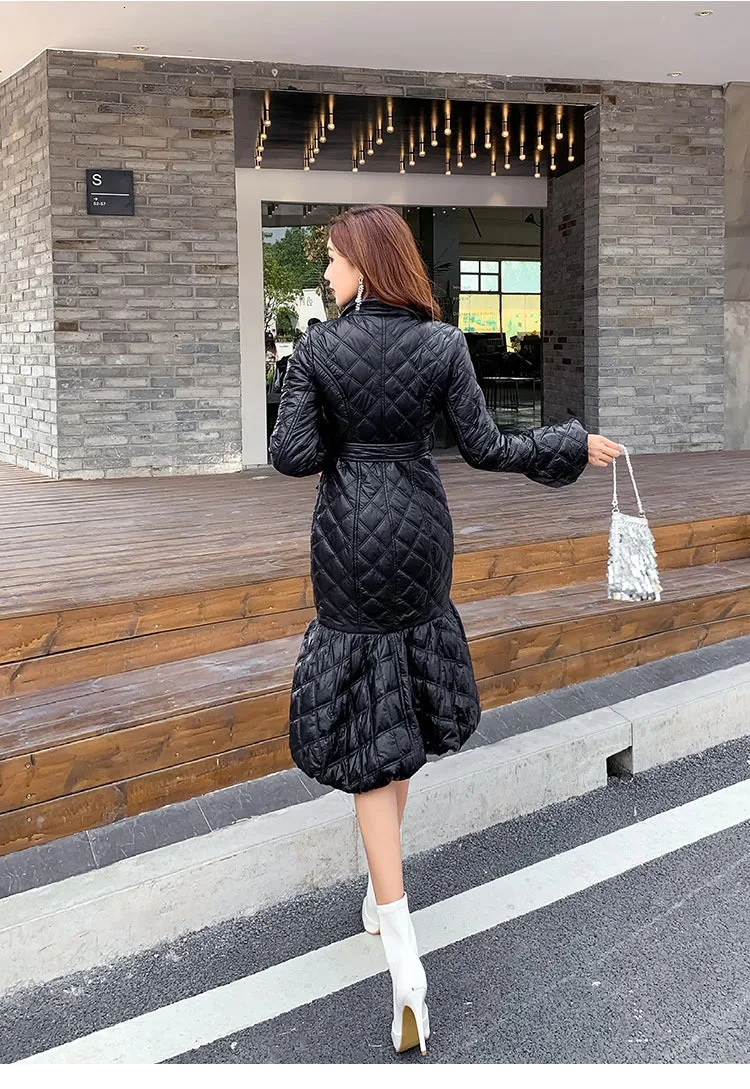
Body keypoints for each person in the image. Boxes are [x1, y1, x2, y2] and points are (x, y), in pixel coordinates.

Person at [269, 206, 621, 1057]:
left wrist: (314, 391)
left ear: (364, 264)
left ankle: (403, 956)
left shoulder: (319, 349)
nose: (325, 274)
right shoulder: (443, 344)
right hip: (421, 533)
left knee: (366, 722)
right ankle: (378, 890)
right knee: (403, 703)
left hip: (351, 536)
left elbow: (292, 455)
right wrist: (571, 443)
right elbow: (489, 447)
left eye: (332, 261)